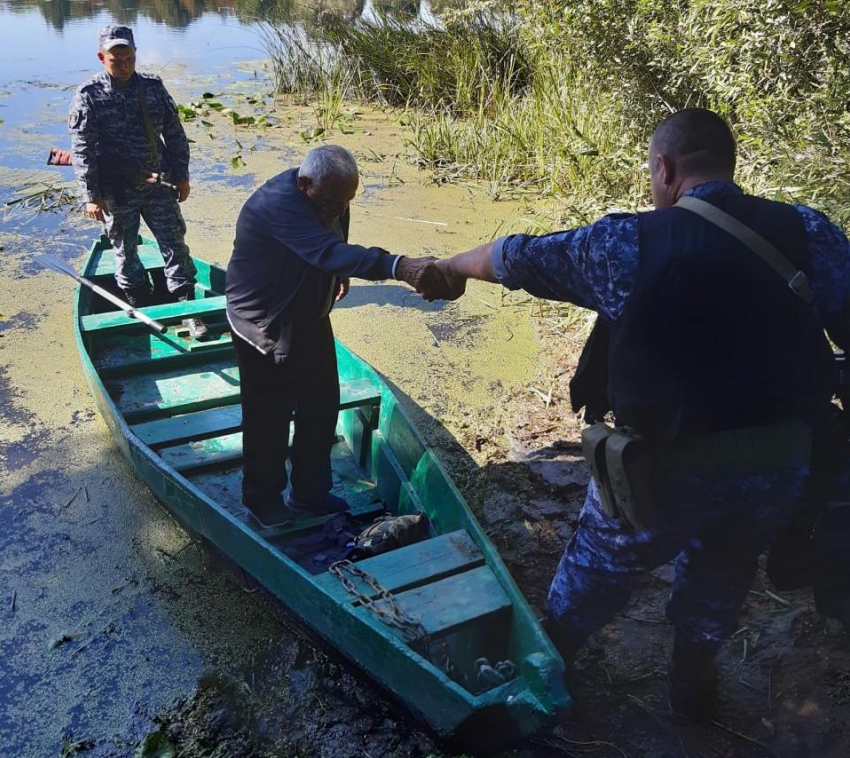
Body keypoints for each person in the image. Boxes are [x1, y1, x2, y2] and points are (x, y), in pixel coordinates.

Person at [432, 108, 850, 719]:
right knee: (724, 571)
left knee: (595, 570)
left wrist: (448, 266)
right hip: (777, 467)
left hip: (661, 473)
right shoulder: (809, 231)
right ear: (730, 167)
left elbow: (515, 258)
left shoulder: (626, 244)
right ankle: (690, 688)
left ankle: (553, 672)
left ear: (664, 169)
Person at [226, 144, 449, 528]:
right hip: (263, 324)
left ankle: (309, 493)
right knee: (269, 419)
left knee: (322, 404)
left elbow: (334, 243)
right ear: (304, 183)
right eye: (330, 202)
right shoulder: (279, 204)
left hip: (308, 315)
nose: (339, 210)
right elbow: (325, 249)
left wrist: (338, 272)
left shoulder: (331, 194)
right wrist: (399, 266)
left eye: (347, 201)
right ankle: (261, 500)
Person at [68, 25, 207, 338]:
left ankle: (187, 311)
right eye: (117, 59)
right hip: (117, 191)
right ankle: (140, 306)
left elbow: (174, 133)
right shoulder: (89, 96)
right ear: (102, 58)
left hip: (160, 184)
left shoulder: (153, 88)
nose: (124, 65)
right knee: (125, 252)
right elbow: (83, 150)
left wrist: (182, 176)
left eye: (129, 57)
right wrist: (91, 195)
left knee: (175, 246)